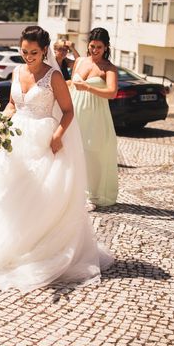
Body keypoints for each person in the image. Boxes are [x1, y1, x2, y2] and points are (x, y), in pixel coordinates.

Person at [0, 25, 112, 293]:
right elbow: (13, 105)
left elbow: (69, 111)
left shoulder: (54, 76)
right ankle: (0, 245)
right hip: (15, 139)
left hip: (43, 140)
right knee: (6, 193)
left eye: (33, 52)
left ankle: (31, 249)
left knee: (38, 196)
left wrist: (58, 135)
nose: (28, 57)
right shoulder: (17, 71)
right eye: (24, 52)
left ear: (44, 50)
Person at [71, 28, 119, 210]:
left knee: (93, 153)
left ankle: (94, 195)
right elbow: (72, 85)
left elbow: (112, 93)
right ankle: (75, 192)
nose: (95, 50)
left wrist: (88, 88)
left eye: (99, 47)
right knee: (74, 150)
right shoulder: (80, 61)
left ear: (106, 47)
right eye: (92, 46)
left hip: (96, 114)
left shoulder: (109, 68)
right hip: (76, 110)